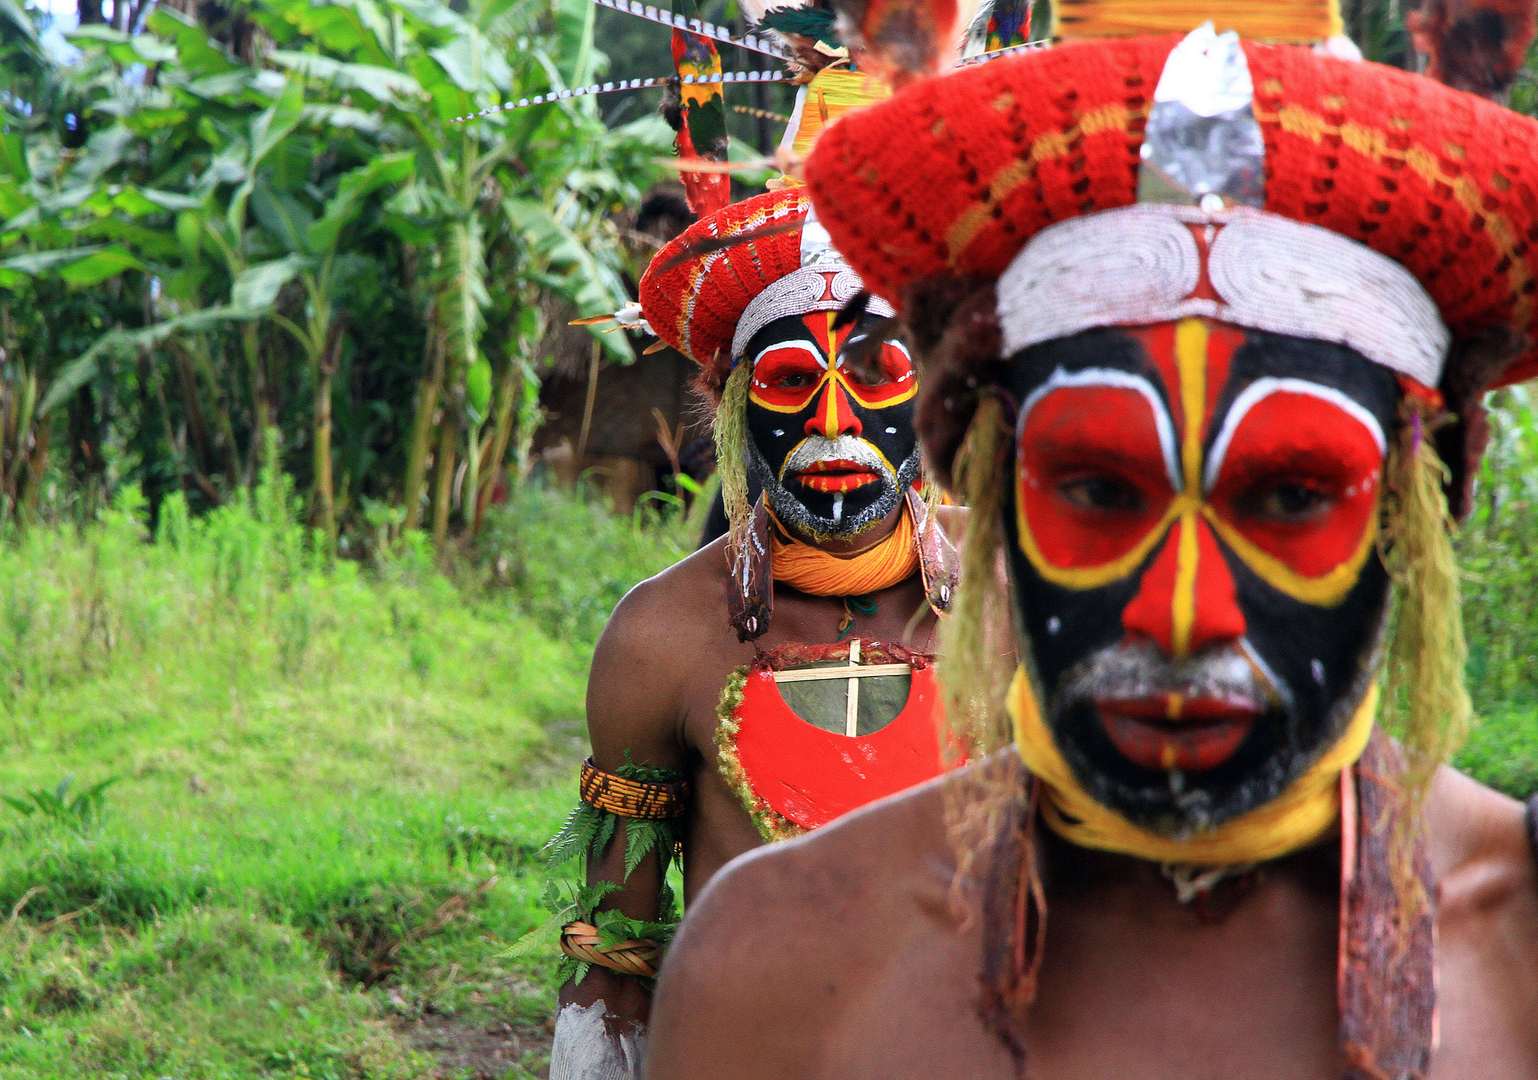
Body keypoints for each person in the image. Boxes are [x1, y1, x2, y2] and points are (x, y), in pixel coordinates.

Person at [644, 13, 1538, 1079]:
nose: (1182, 614)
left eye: (1295, 495)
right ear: (988, 484)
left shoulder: (1520, 947)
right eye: (1099, 489)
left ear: (1412, 509)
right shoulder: (783, 956)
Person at [543, 180, 967, 1080]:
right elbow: (616, 953)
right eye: (789, 382)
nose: (832, 422)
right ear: (737, 411)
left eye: (874, 374)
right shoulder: (662, 636)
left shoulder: (1022, 596)